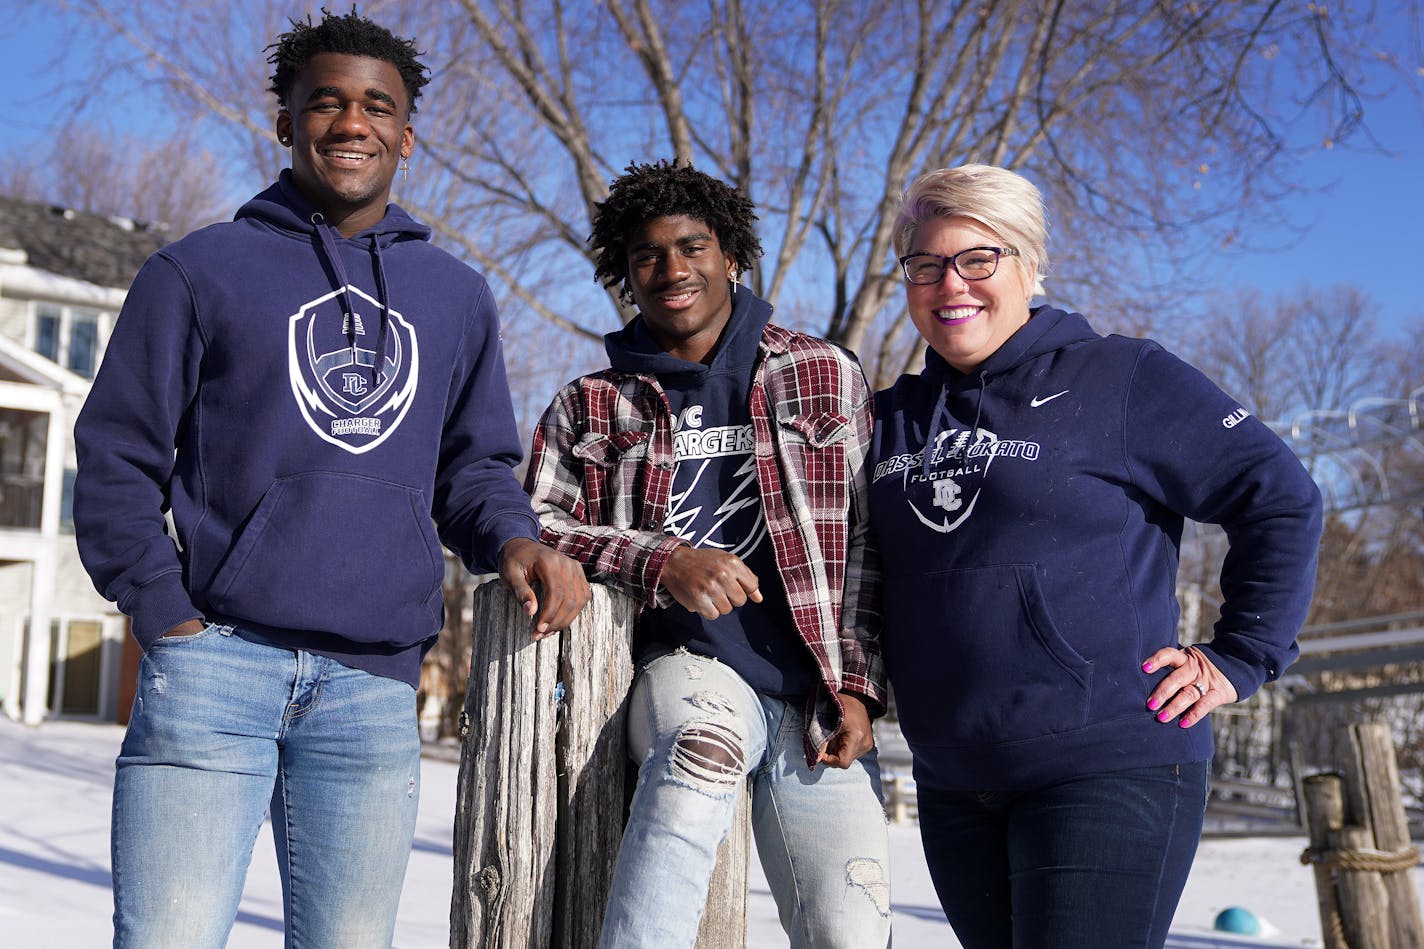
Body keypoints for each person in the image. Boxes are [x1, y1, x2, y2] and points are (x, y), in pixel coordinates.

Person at [72, 10, 588, 947]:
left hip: (371, 688)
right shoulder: (197, 271)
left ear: (407, 135)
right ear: (285, 122)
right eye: (327, 102)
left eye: (376, 106)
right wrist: (163, 610)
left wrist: (517, 537)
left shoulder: (456, 295)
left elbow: (472, 467)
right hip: (214, 666)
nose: (352, 122)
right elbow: (117, 453)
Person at [868, 164, 1323, 948]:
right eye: (927, 264)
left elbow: (1278, 495)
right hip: (954, 778)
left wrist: (1242, 652)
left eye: (980, 258)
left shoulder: (1119, 376)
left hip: (1106, 762)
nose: (952, 284)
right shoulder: (888, 417)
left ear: (1031, 265)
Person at [524, 160, 891, 948]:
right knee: (699, 764)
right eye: (648, 255)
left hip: (813, 697)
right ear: (625, 274)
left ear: (731, 255)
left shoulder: (823, 374)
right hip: (688, 672)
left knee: (851, 921)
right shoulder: (591, 402)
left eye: (692, 247)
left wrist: (858, 686)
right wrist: (662, 560)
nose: (672, 269)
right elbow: (533, 523)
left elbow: (866, 542)